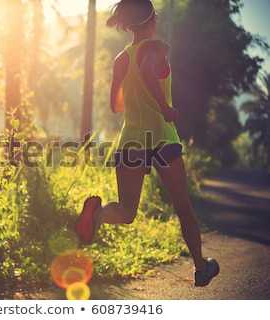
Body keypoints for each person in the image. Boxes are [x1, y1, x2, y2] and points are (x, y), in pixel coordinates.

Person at [75, 0, 219, 287]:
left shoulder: (119, 59)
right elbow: (145, 69)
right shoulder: (157, 47)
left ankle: (98, 215)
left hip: (131, 140)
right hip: (162, 138)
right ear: (152, 21)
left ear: (128, 25)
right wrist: (164, 107)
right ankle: (201, 268)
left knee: (127, 211)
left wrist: (135, 92)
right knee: (183, 206)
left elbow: (116, 105)